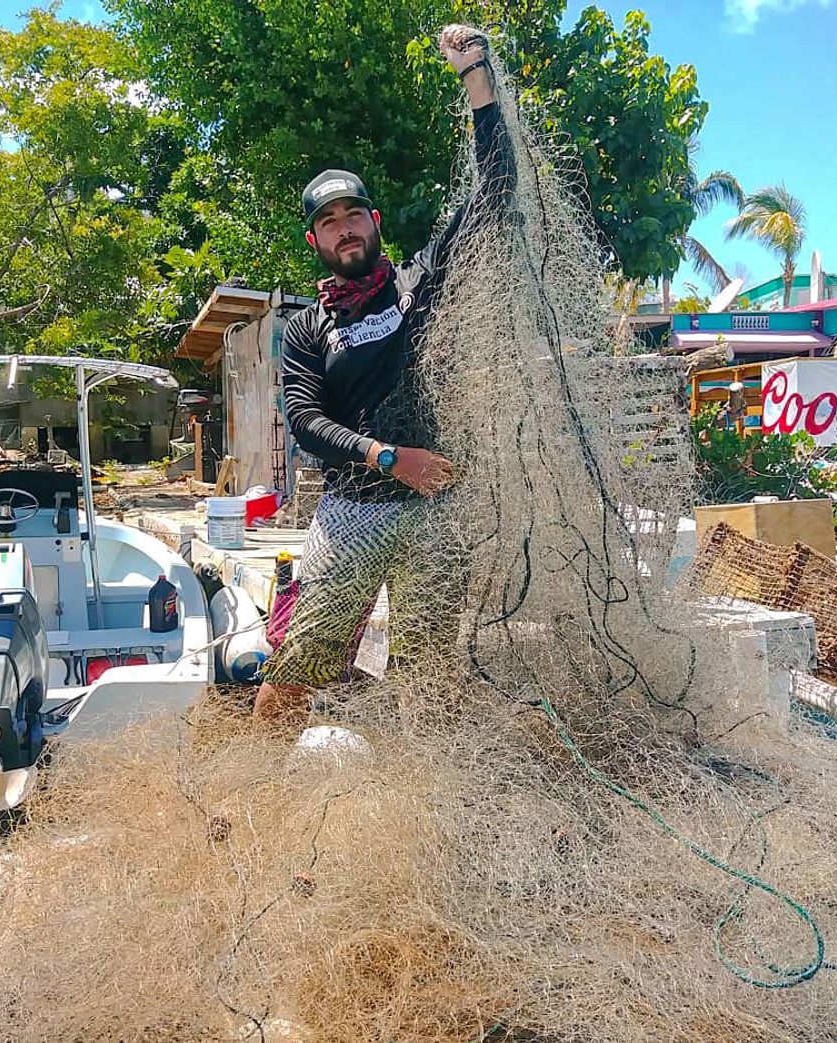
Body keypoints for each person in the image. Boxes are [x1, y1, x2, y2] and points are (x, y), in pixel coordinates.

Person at [253, 24, 515, 721]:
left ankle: (423, 809)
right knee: (293, 674)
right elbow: (305, 422)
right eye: (329, 221)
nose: (345, 228)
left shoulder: (423, 284)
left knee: (430, 686)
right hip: (352, 513)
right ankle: (256, 804)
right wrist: (385, 456)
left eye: (354, 214)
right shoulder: (307, 329)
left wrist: (475, 79)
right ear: (315, 241)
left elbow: (496, 190)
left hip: (434, 516)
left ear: (374, 221)